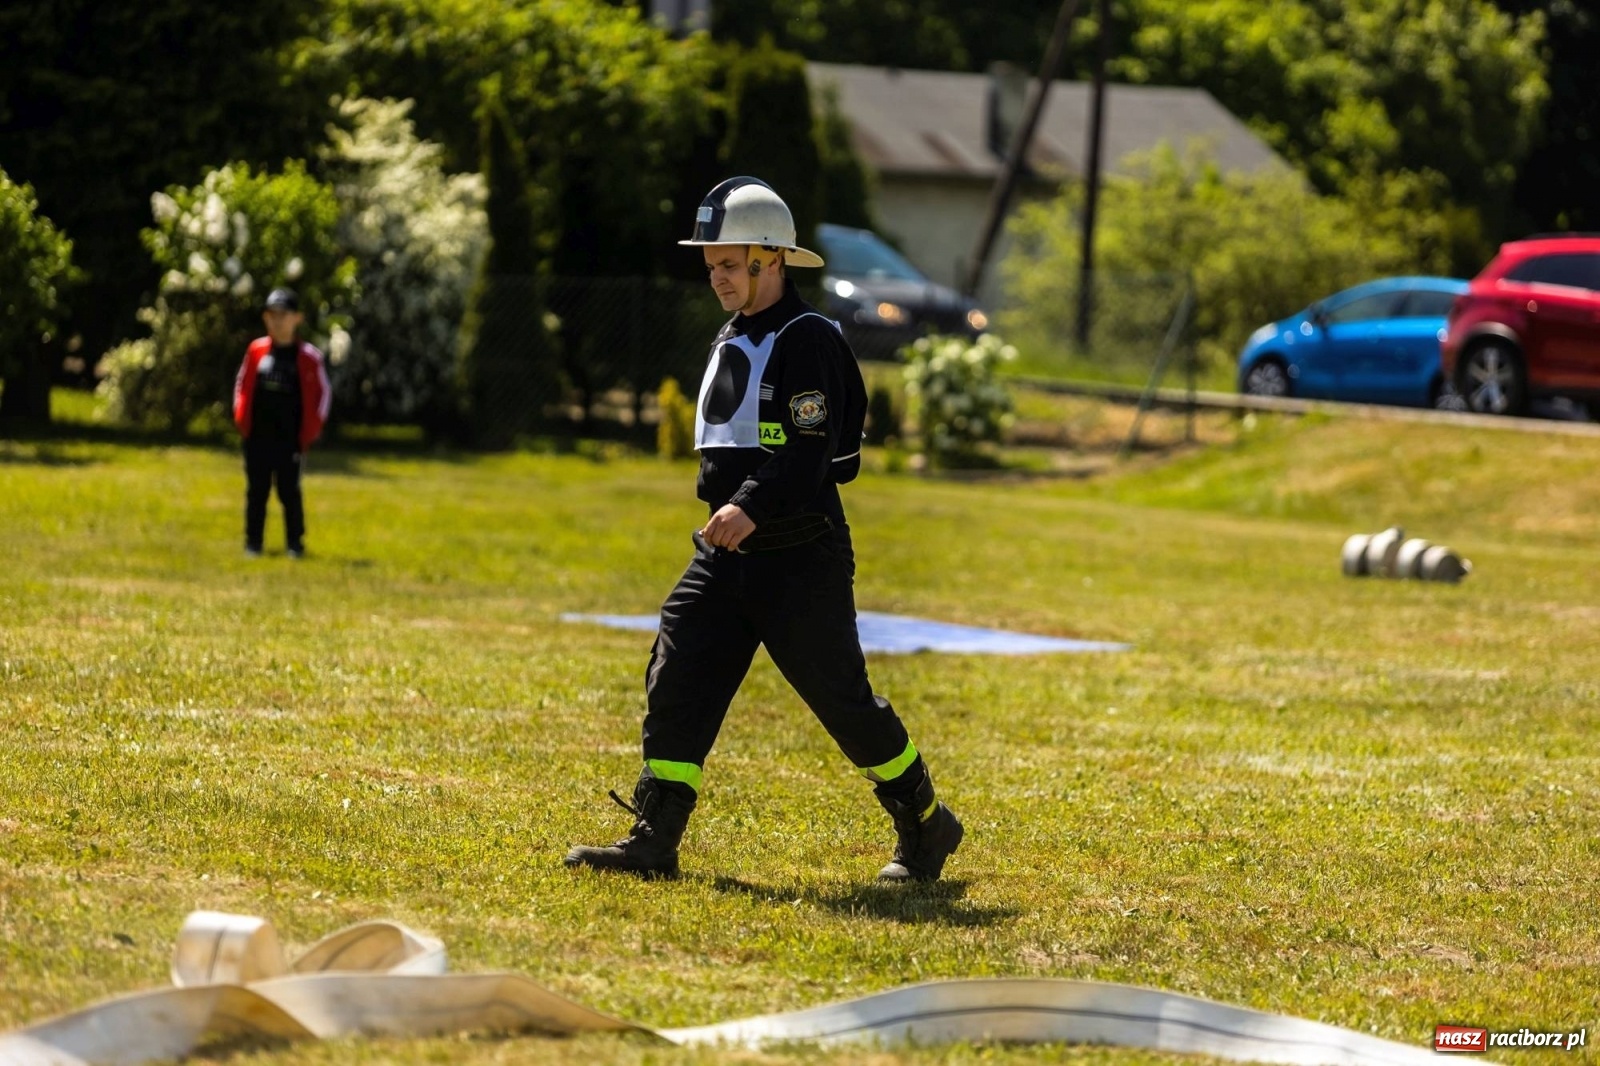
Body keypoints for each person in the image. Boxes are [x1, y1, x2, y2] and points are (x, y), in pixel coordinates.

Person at [565, 177, 964, 883]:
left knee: (843, 704)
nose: (715, 276)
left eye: (729, 262)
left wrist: (750, 502)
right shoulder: (732, 334)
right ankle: (655, 837)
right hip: (726, 559)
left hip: (797, 556)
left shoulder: (807, 339)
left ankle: (925, 822)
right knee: (679, 670)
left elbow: (813, 453)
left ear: (769, 259)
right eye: (710, 263)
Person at [232, 287, 329, 558]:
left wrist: (309, 433)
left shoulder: (309, 357)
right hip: (258, 437)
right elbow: (241, 385)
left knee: (289, 491)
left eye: (283, 315)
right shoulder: (256, 351)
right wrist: (241, 418)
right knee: (256, 492)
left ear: (297, 318)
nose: (277, 320)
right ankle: (253, 543)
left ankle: (294, 545)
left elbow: (323, 395)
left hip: (290, 440)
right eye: (272, 315)